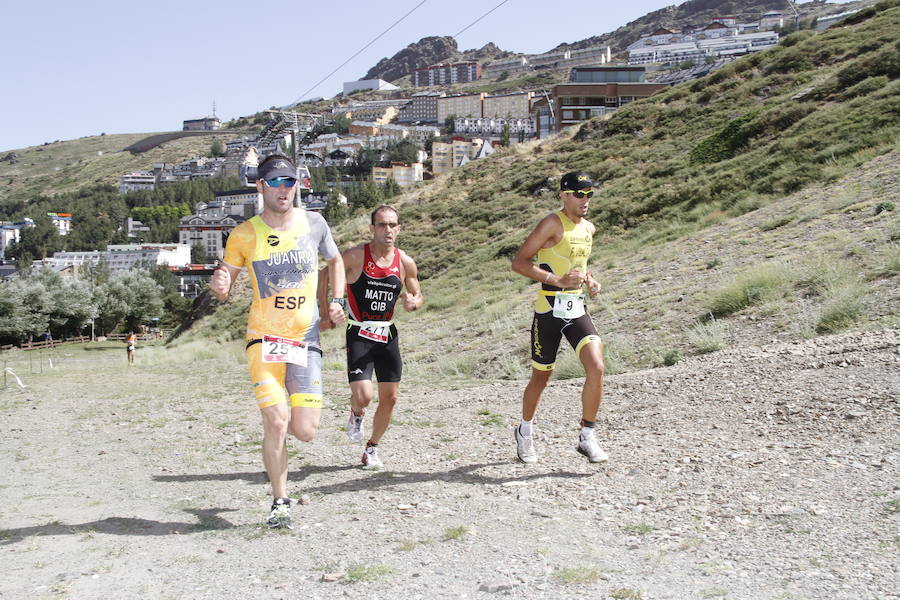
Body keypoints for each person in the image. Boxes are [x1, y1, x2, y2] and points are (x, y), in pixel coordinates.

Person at [210, 154, 346, 529]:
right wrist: (220, 284)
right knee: (276, 420)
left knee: (304, 430)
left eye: (290, 182)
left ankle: (280, 453)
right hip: (264, 338)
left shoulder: (314, 223)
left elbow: (334, 262)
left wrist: (336, 301)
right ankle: (280, 499)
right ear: (261, 187)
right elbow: (225, 278)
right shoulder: (244, 233)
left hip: (305, 338)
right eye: (276, 182)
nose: (284, 189)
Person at [510, 171, 608, 465]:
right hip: (549, 309)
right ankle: (524, 430)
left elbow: (579, 267)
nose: (585, 200)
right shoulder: (552, 223)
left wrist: (590, 281)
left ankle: (587, 435)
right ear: (564, 195)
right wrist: (556, 280)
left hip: (576, 308)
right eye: (579, 194)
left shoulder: (589, 228)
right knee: (541, 377)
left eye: (589, 194)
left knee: (597, 366)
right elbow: (519, 263)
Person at [320, 205, 423, 470]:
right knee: (364, 396)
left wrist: (414, 302)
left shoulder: (405, 262)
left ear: (398, 228)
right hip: (359, 333)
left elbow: (417, 293)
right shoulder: (355, 256)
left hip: (387, 334)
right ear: (372, 228)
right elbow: (325, 274)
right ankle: (356, 414)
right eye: (381, 225)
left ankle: (372, 448)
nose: (387, 230)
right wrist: (327, 312)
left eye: (392, 225)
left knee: (390, 398)